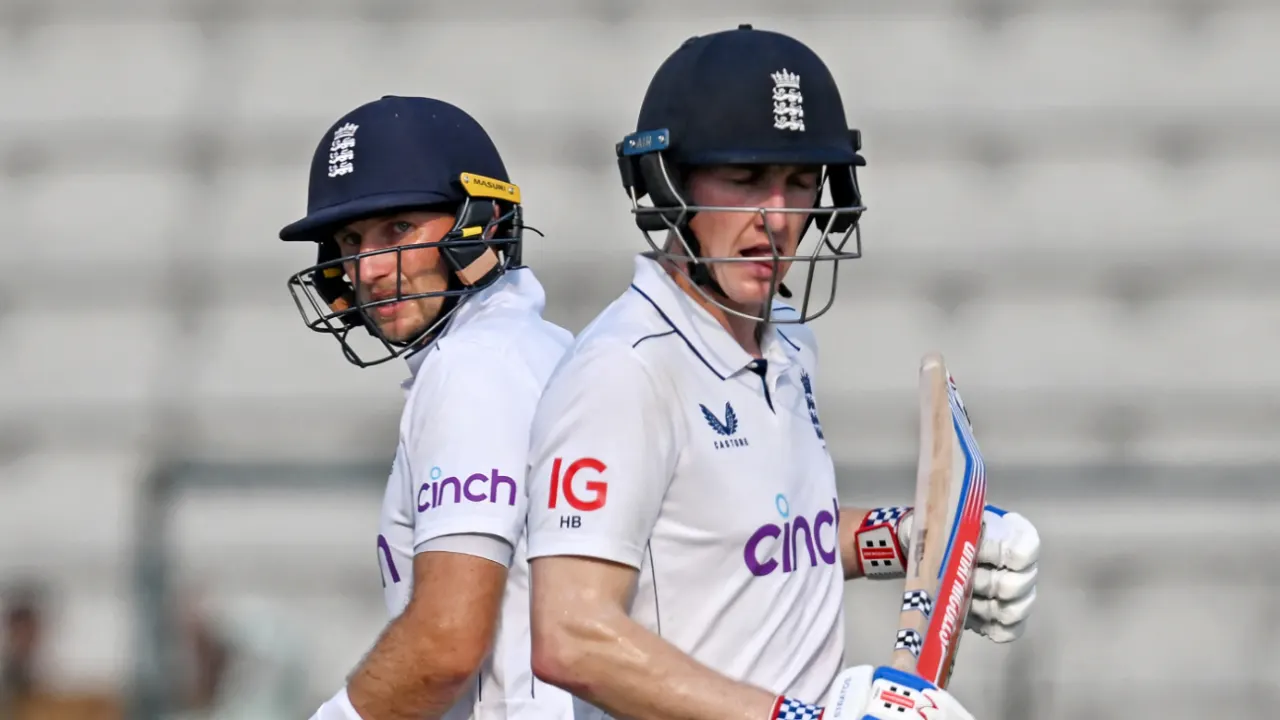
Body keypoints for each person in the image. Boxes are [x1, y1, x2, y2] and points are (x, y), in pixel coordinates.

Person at [522, 25, 1040, 720]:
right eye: (743, 179)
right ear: (667, 182)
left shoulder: (788, 338)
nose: (778, 218)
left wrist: (917, 537)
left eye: (799, 183)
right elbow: (571, 637)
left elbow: (764, 539)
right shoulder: (625, 371)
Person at [280, 95, 574, 720]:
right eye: (351, 239)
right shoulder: (540, 348)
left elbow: (446, 642)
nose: (370, 269)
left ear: (480, 221)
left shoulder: (475, 368)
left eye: (399, 230)